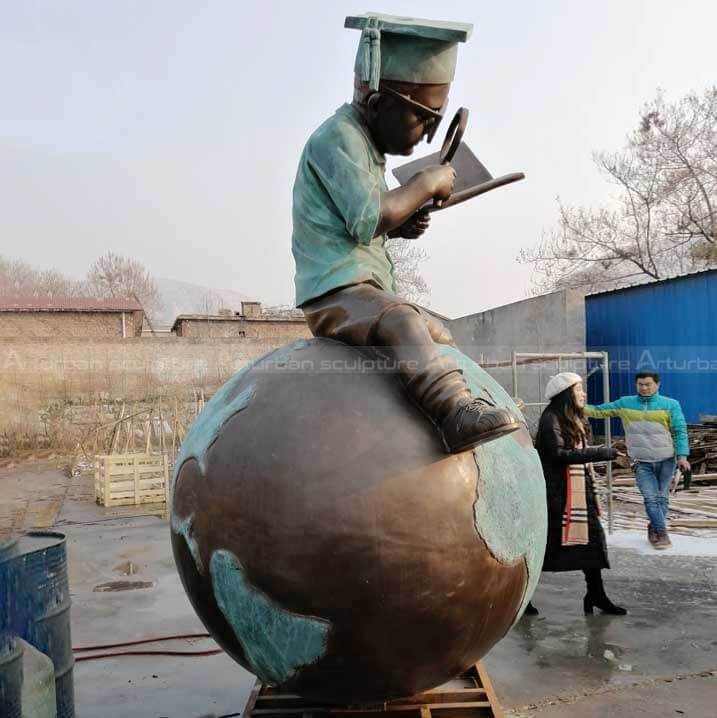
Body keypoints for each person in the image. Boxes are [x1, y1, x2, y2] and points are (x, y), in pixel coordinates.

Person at [291, 13, 520, 454]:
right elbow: (367, 218)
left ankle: (464, 399)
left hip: (361, 289)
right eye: (423, 119)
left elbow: (361, 228)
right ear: (379, 104)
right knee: (402, 320)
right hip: (335, 294)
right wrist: (422, 186)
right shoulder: (337, 138)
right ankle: (452, 412)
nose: (427, 133)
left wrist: (401, 224)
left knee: (439, 333)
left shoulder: (364, 145)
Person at [526, 372, 626, 616]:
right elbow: (557, 456)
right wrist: (602, 453)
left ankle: (596, 595)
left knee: (592, 545)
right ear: (566, 394)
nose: (583, 394)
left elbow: (578, 453)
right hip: (558, 496)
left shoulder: (576, 419)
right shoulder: (551, 419)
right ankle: (522, 597)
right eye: (578, 389)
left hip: (580, 493)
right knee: (546, 549)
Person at [585, 371, 690, 550]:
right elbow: (598, 411)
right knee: (650, 498)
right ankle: (661, 531)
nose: (644, 387)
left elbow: (680, 431)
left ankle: (653, 528)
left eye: (648, 384)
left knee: (662, 498)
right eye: (640, 384)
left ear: (657, 385)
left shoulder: (670, 404)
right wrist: (573, 403)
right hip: (642, 462)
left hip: (666, 460)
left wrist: (682, 456)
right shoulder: (626, 403)